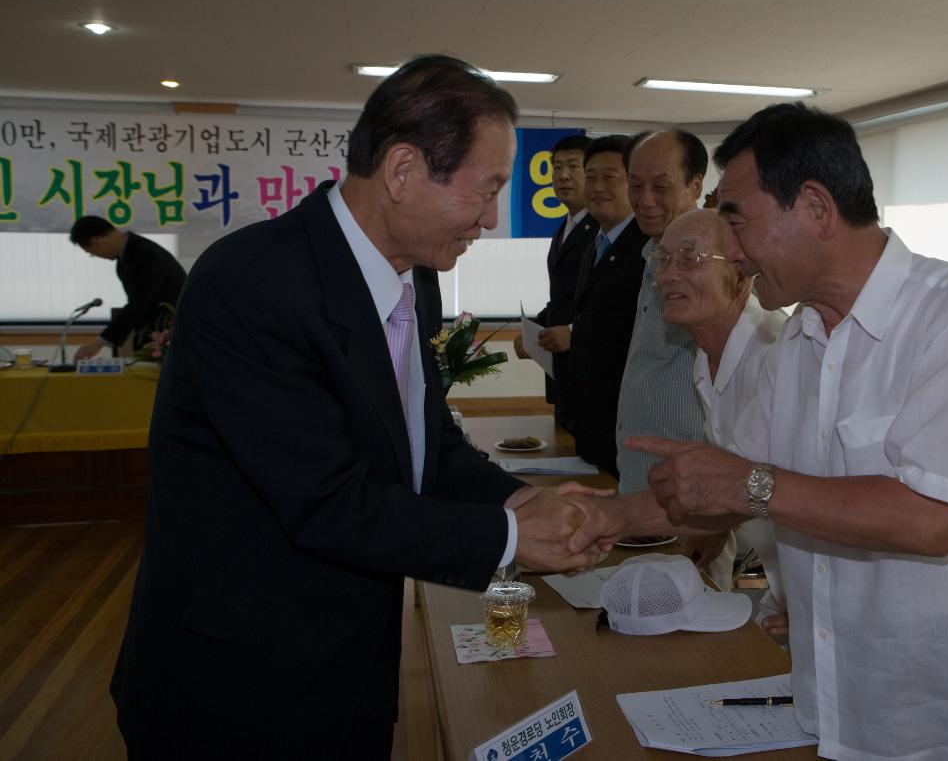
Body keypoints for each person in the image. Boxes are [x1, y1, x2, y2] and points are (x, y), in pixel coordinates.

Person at [110, 56, 613, 760]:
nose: (493, 218)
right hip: (237, 686)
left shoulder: (417, 277)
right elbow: (325, 501)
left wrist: (524, 499)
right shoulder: (252, 284)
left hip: (346, 667)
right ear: (403, 170)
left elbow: (427, 444)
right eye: (487, 188)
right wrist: (507, 537)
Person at [621, 103, 948, 760]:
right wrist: (603, 517)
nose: (733, 250)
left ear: (816, 208)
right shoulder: (802, 338)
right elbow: (738, 476)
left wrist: (747, 484)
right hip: (838, 702)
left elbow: (927, 516)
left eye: (737, 219)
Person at [652, 209, 788, 601]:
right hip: (783, 584)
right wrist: (714, 528)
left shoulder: (777, 351)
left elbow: (798, 486)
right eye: (662, 260)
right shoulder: (704, 354)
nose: (668, 275)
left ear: (741, 271)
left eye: (689, 258)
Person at [614, 129, 707, 498]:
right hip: (640, 476)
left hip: (691, 490)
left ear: (695, 185)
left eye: (662, 186)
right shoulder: (652, 255)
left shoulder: (715, 266)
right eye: (635, 186)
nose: (645, 200)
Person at [565, 134, 646, 477]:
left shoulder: (647, 249)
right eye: (591, 176)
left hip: (628, 426)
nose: (597, 187)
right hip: (592, 422)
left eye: (610, 177)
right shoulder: (594, 244)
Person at [513, 134, 596, 432]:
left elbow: (608, 305)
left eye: (573, 166)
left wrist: (574, 332)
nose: (562, 175)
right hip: (562, 372)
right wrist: (532, 331)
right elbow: (563, 299)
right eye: (557, 167)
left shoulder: (603, 230)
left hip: (592, 373)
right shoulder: (564, 229)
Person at [67, 216, 186, 360]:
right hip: (152, 333)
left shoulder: (146, 255)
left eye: (91, 253)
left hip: (169, 334)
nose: (96, 256)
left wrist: (99, 343)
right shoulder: (128, 255)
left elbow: (139, 303)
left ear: (97, 242)